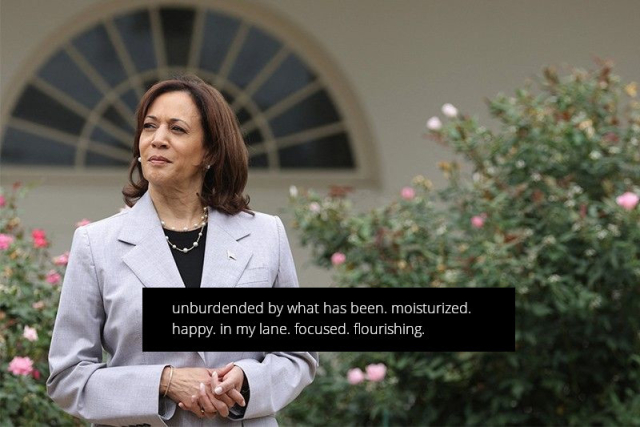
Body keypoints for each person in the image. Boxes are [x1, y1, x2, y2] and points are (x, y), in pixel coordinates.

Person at [47, 75, 318, 426]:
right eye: (149, 127)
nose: (157, 140)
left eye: (177, 129)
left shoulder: (266, 234)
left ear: (209, 152)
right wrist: (164, 381)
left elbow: (298, 356)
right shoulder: (96, 244)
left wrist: (248, 379)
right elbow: (68, 378)